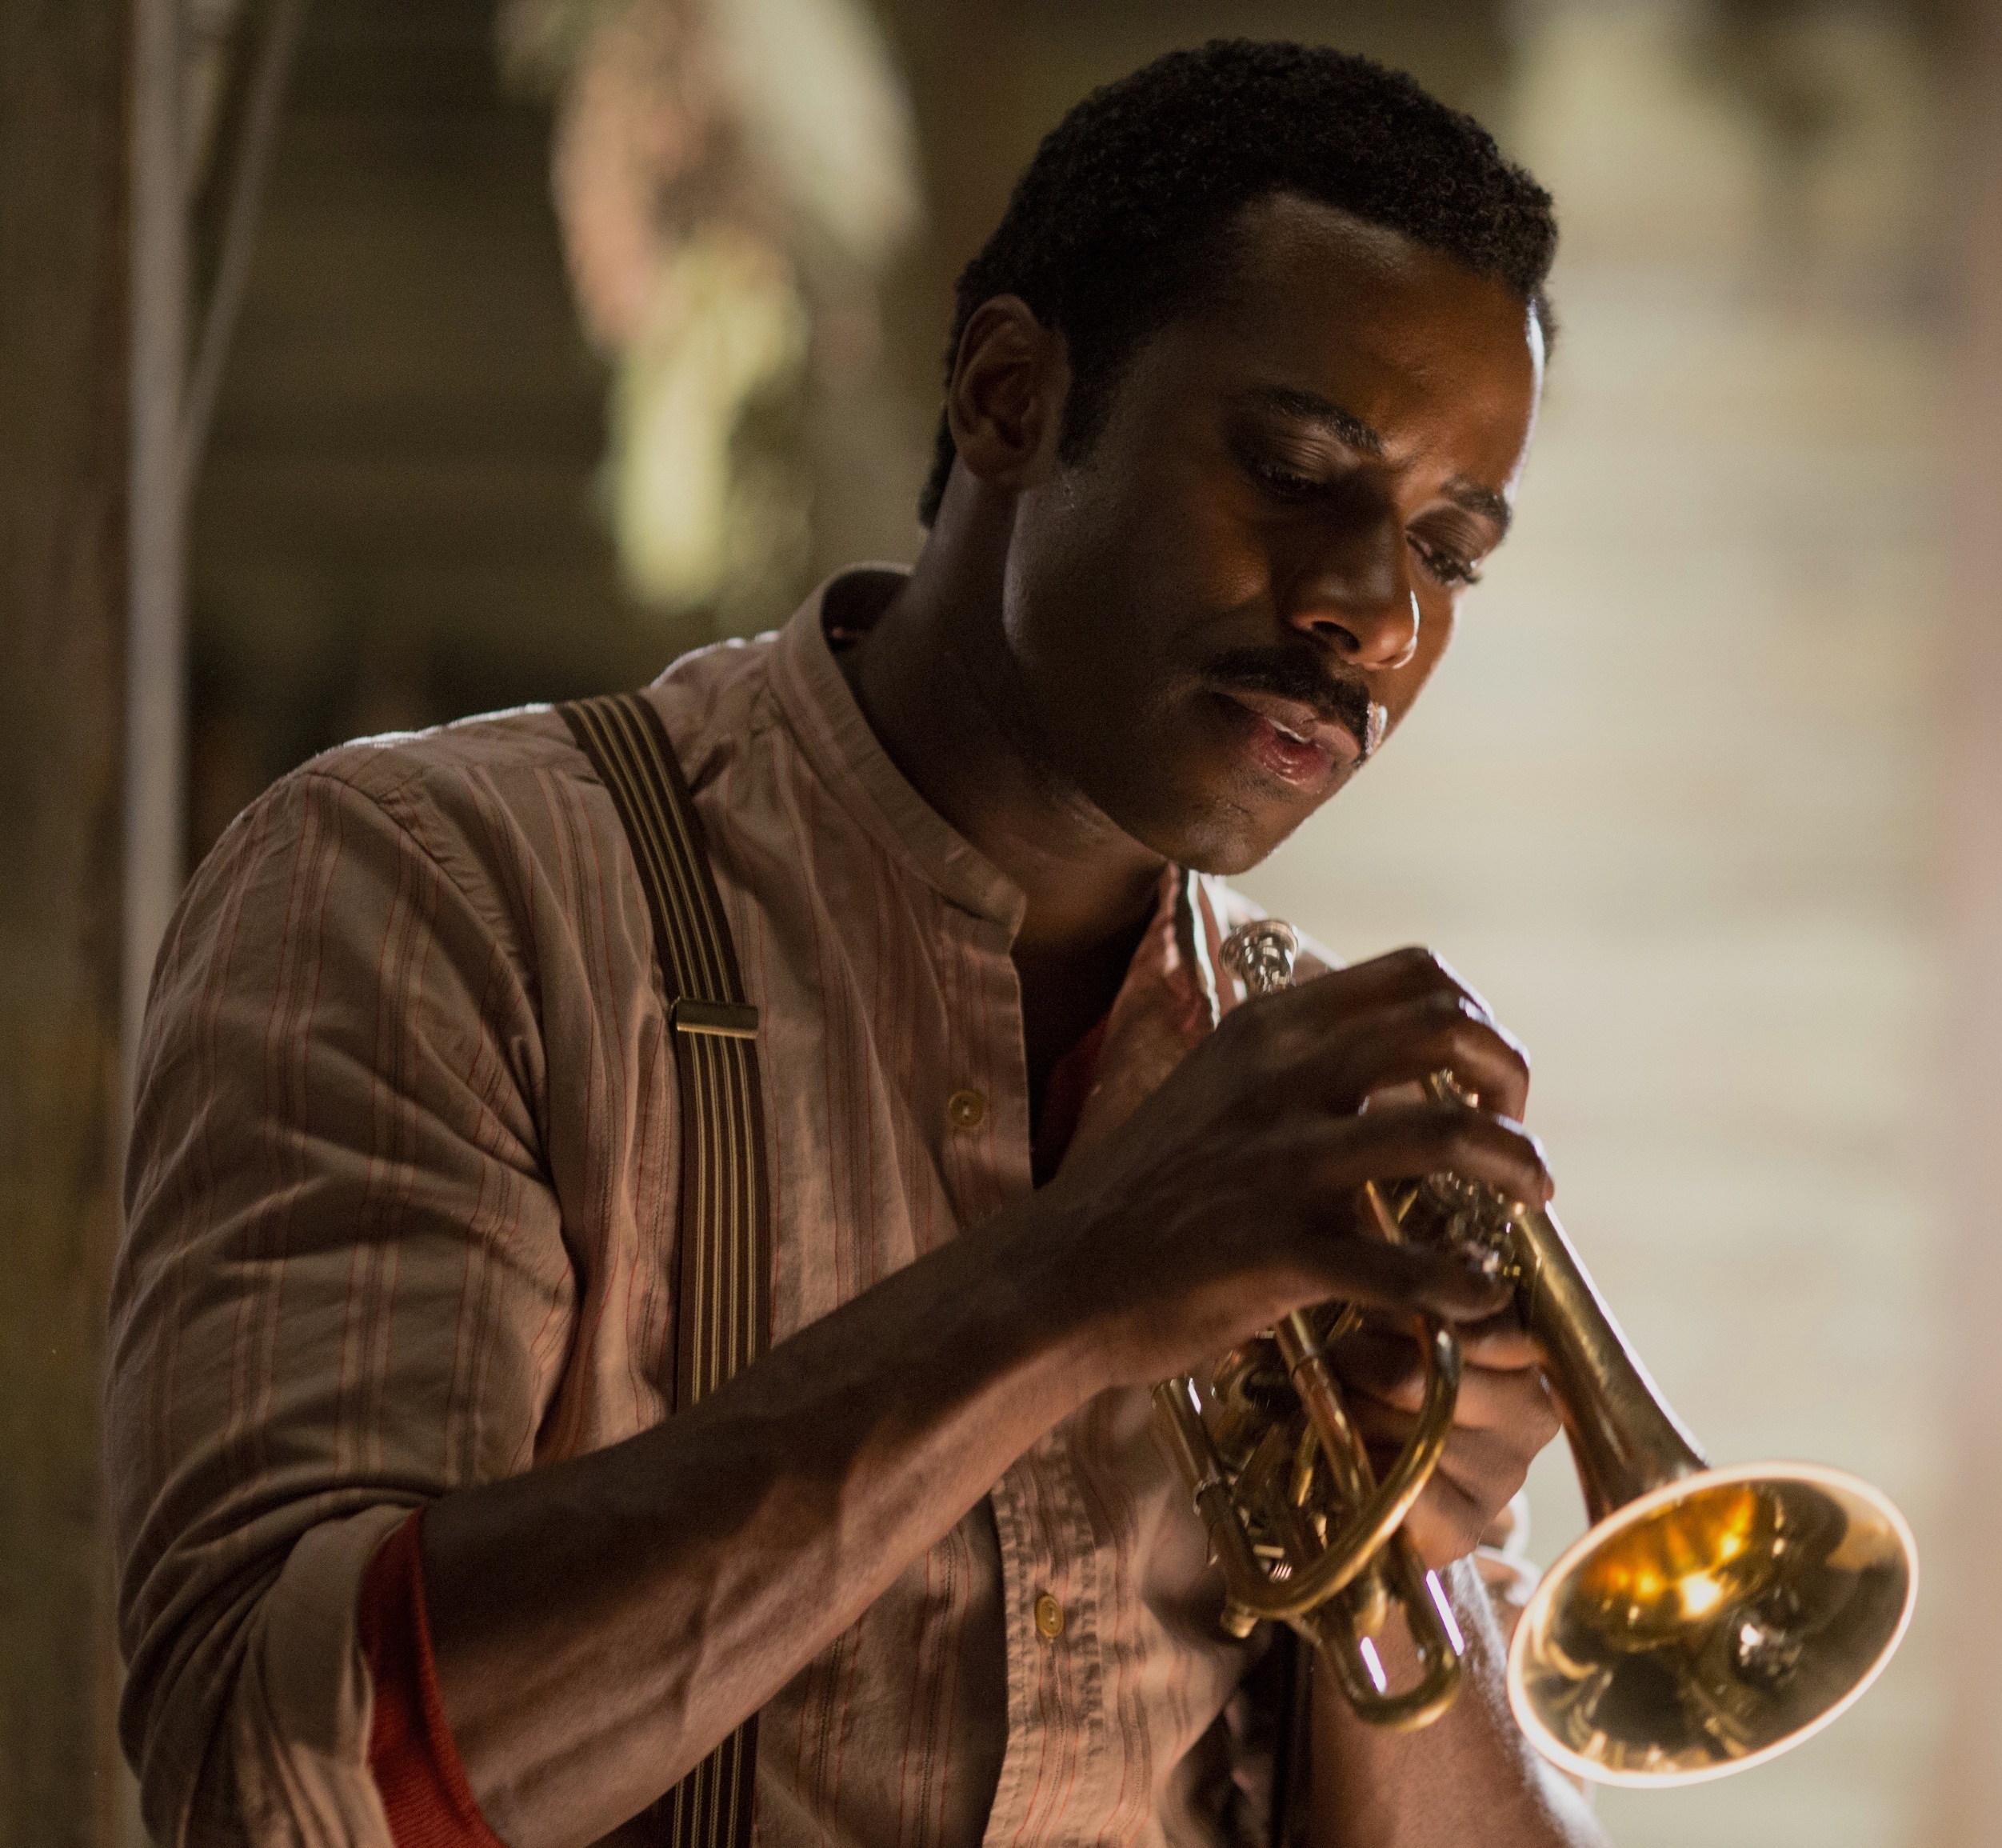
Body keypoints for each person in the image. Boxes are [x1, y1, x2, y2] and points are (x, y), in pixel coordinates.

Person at [109, 39, 1608, 1848]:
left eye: (1450, 552)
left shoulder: (1286, 1102)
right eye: (1296, 469)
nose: (1371, 613)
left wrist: (1393, 1565)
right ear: (1003, 396)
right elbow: (279, 1778)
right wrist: (1065, 1289)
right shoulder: (440, 883)